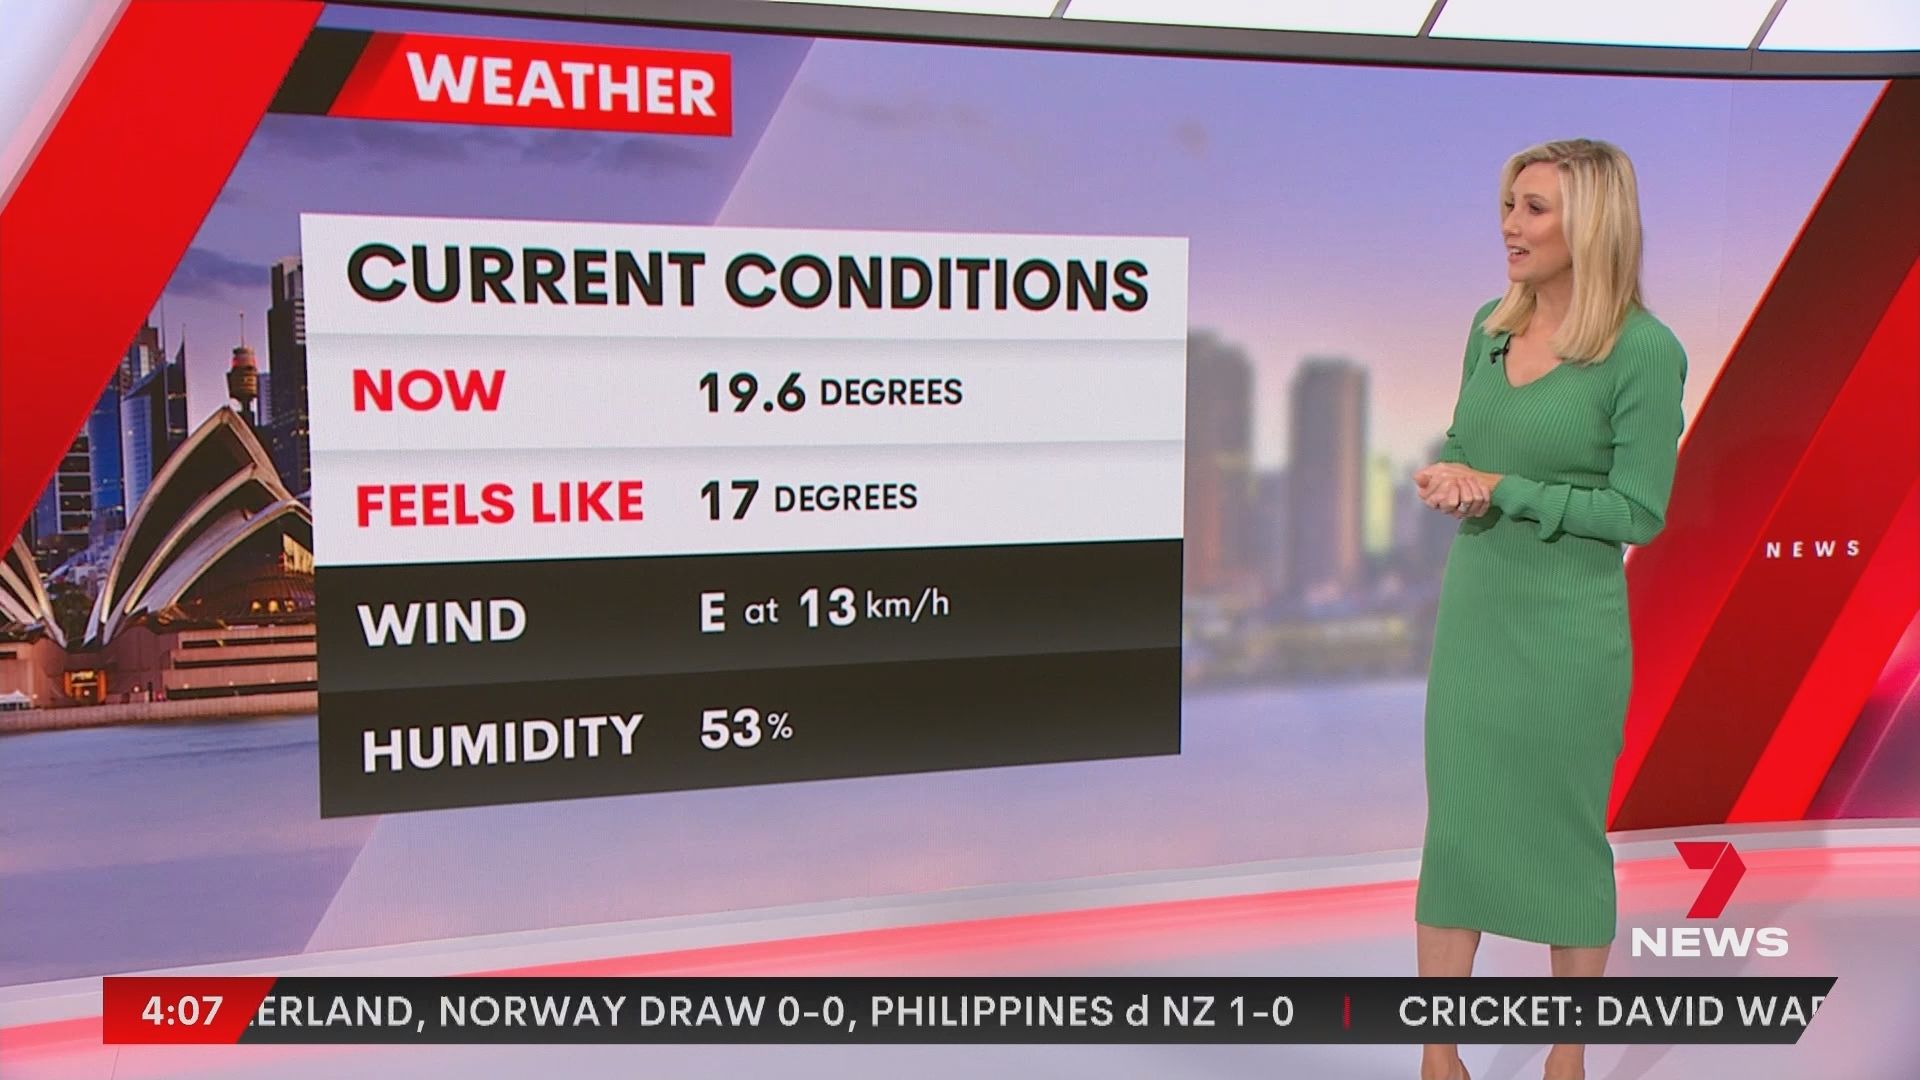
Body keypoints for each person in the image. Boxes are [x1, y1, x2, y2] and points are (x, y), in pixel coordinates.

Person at [1410, 138, 1687, 1080]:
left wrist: (1508, 490)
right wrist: (1452, 477)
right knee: (1457, 833)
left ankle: (1567, 1056)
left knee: (1566, 839)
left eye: (1534, 209)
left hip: (1568, 629)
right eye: (1508, 205)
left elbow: (1639, 513)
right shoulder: (1489, 327)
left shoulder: (1644, 352)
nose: (1509, 226)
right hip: (1477, 619)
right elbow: (1468, 440)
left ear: (1593, 225)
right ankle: (1438, 1055)